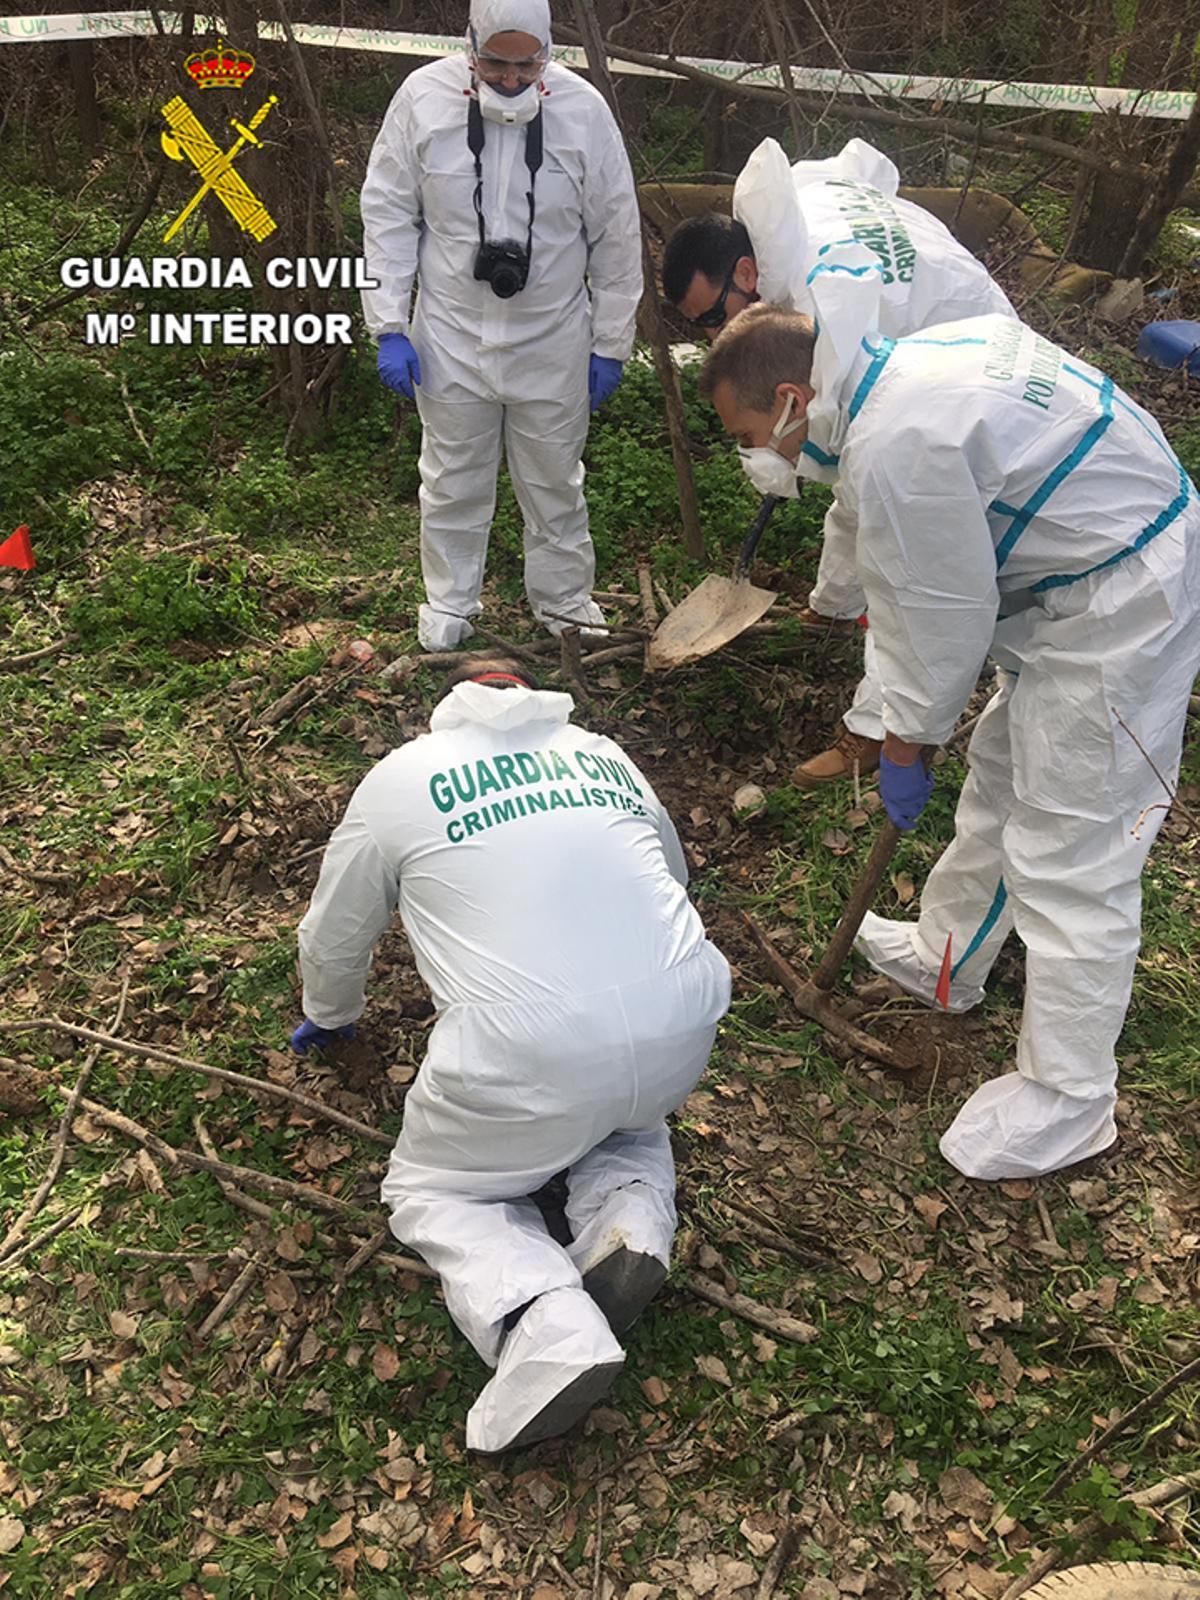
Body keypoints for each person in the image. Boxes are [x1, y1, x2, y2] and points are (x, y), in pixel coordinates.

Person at [697, 278, 1200, 1182]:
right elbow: (875, 547)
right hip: (1080, 574)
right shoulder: (893, 373)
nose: (753, 455)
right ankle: (948, 957)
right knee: (1004, 777)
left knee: (1072, 849)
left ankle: (1071, 1097)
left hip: (1126, 597)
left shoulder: (901, 442)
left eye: (745, 436)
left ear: (789, 400)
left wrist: (905, 744)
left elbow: (937, 619)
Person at [292, 658, 731, 1451]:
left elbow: (334, 931)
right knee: (632, 1118)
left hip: (523, 1050)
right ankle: (628, 1219)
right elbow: (674, 873)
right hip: (683, 1013)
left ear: (448, 710)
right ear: (533, 699)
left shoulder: (403, 777)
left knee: (435, 1188)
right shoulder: (603, 752)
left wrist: (331, 1014)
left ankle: (543, 1323)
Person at [662, 138, 1014, 789]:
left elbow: (845, 456)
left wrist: (777, 451)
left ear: (746, 273)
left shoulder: (829, 296)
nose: (714, 338)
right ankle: (831, 606)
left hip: (956, 352)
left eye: (714, 318)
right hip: (932, 323)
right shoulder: (786, 230)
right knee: (862, 485)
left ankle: (877, 730)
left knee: (901, 544)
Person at [360, 0, 642, 652]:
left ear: (547, 54)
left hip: (554, 338)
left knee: (554, 482)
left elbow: (617, 234)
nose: (512, 80)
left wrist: (610, 342)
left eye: (527, 65)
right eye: (496, 63)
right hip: (451, 335)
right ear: (470, 47)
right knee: (452, 478)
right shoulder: (422, 101)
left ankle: (566, 605)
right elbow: (387, 214)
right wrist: (388, 324)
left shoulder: (583, 112)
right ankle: (450, 605)